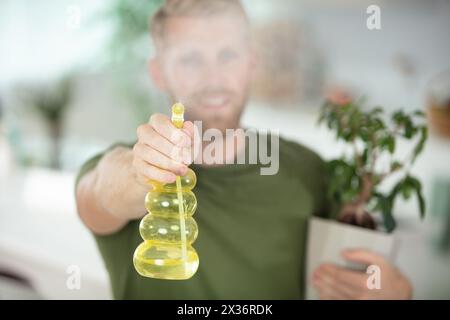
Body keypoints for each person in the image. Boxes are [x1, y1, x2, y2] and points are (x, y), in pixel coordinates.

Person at [75, 0, 412, 299]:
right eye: (191, 58)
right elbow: (102, 193)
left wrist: (395, 292)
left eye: (228, 55)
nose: (214, 77)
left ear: (252, 64)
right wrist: (140, 173)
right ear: (159, 73)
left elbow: (361, 270)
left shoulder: (308, 169)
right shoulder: (125, 164)